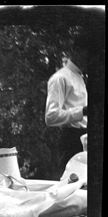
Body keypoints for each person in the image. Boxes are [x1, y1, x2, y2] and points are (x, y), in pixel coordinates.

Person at [44, 32, 89, 176]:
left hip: (85, 139)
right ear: (77, 51)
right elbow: (50, 117)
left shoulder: (81, 78)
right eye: (89, 55)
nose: (92, 60)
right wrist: (83, 111)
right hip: (71, 141)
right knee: (72, 189)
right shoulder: (60, 78)